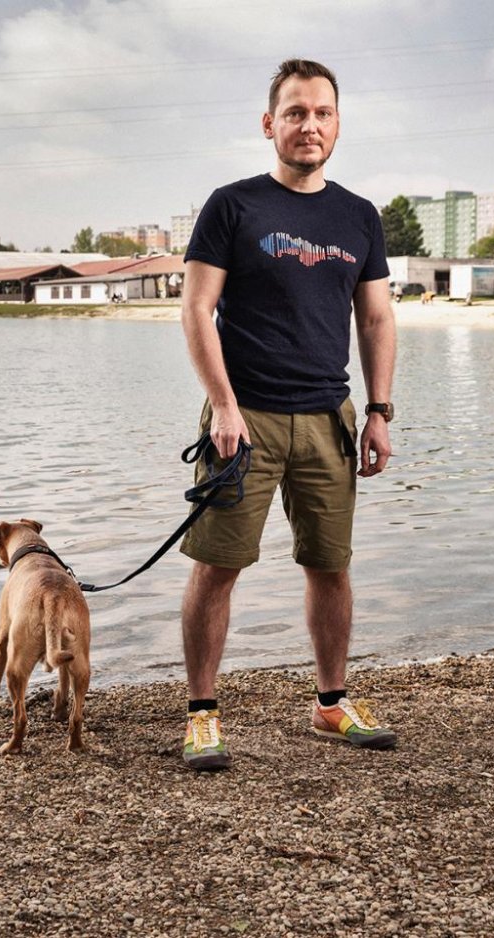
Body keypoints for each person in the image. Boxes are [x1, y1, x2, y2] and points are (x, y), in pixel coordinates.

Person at [178, 58, 398, 771]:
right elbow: (196, 309)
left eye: (323, 113)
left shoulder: (359, 215)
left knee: (330, 567)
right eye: (296, 113)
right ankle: (203, 715)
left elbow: (376, 321)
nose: (310, 125)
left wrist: (379, 411)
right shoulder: (233, 205)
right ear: (270, 124)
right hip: (245, 419)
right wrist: (222, 406)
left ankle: (330, 706)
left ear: (338, 125)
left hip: (328, 417)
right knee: (217, 566)